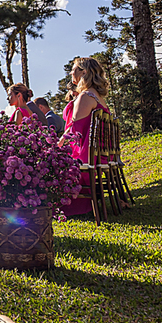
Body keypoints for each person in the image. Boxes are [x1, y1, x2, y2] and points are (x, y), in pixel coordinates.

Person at [59, 57, 111, 217]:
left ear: (84, 72)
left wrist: (55, 146)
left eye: (73, 69)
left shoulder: (85, 96)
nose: (70, 72)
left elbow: (73, 130)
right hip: (99, 155)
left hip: (86, 155)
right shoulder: (98, 97)